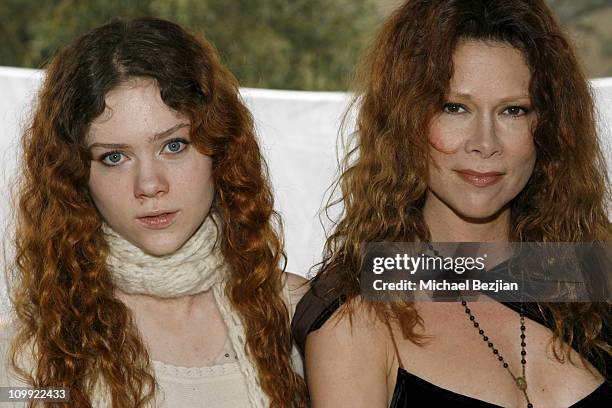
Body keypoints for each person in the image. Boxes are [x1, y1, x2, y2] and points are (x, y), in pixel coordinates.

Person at [292, 1, 611, 407]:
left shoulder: (586, 274)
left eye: (514, 111)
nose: (485, 142)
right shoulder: (357, 313)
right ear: (405, 119)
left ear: (548, 126)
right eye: (454, 107)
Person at [0, 17, 308, 407]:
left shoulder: (299, 314)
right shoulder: (34, 356)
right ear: (75, 175)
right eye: (114, 156)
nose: (149, 184)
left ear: (220, 147)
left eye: (174, 145)